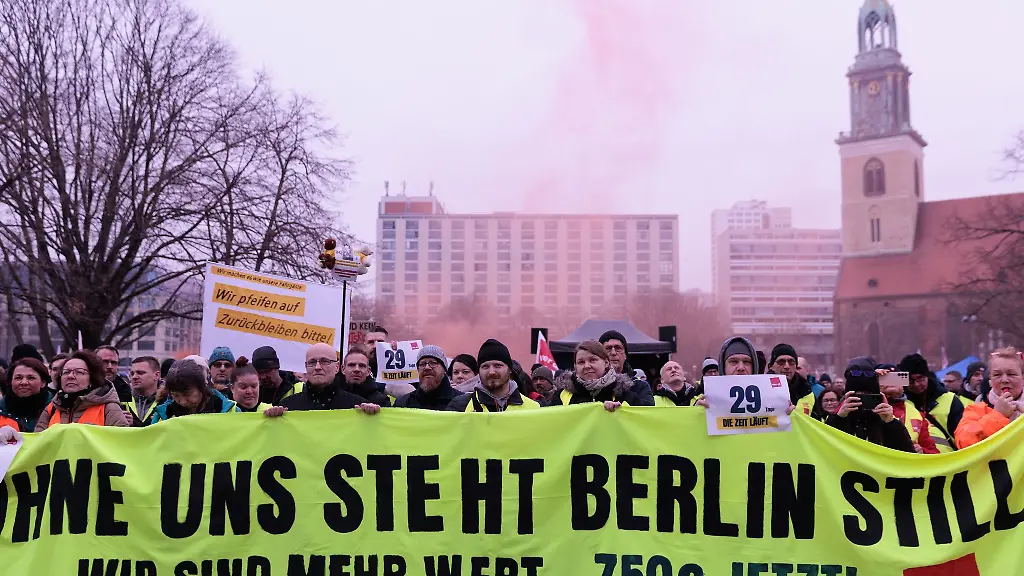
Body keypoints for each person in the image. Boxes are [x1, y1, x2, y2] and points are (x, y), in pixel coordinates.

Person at [826, 357, 914, 453]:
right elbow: (824, 445)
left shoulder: (883, 418)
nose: (863, 400)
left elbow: (907, 453)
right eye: (858, 396)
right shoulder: (842, 415)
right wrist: (840, 418)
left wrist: (890, 423)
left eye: (868, 396)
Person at [265, 343, 380, 415]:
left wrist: (373, 416)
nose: (318, 367)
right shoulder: (288, 406)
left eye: (325, 361)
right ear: (305, 367)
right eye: (312, 362)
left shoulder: (357, 406)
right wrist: (272, 420)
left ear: (337, 367)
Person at [35, 350, 129, 430]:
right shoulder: (52, 408)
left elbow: (120, 444)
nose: (70, 376)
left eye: (79, 372)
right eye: (66, 372)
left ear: (92, 378)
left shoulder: (108, 408)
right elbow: (39, 443)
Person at [548, 340, 654, 409]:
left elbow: (646, 418)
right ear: (575, 366)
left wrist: (621, 409)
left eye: (593, 360)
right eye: (581, 362)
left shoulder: (626, 391)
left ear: (606, 362)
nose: (587, 366)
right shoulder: (562, 395)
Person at [955, 348, 1024, 449]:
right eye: (997, 375)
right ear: (990, 380)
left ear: (1022, 377)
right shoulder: (976, 410)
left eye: (1011, 374)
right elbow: (963, 443)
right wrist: (997, 415)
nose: (1004, 380)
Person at [898, 353, 968, 453]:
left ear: (927, 376)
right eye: (911, 381)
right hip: (912, 463)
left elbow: (964, 436)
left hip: (949, 462)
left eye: (920, 378)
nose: (916, 384)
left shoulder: (950, 400)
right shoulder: (899, 403)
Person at [446, 339, 540, 412]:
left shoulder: (533, 408)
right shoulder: (459, 407)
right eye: (485, 366)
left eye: (497, 366)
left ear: (510, 369)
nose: (491, 372)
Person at [151, 360, 240, 423]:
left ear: (202, 387)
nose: (182, 401)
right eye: (175, 395)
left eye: (187, 394)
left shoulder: (231, 411)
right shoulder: (162, 416)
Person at [878, 367, 938, 454]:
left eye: (896, 378)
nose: (891, 382)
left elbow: (933, 452)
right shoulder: (867, 408)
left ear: (903, 384)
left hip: (908, 464)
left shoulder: (917, 414)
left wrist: (923, 451)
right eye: (885, 379)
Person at [393, 345, 460, 410]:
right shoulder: (403, 403)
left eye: (433, 363)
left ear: (444, 370)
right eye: (422, 364)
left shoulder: (462, 402)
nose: (427, 367)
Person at [0, 358, 53, 432]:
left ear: (43, 383)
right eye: (18, 378)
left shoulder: (56, 410)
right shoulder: (1, 410)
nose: (24, 382)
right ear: (11, 382)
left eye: (31, 378)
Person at [769, 344, 815, 416]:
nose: (787, 366)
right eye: (781, 362)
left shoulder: (807, 392)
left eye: (791, 362)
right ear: (771, 366)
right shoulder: (761, 389)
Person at [124, 356, 161, 427]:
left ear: (156, 375)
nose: (134, 377)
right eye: (132, 373)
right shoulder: (121, 400)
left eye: (140, 373)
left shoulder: (169, 402)